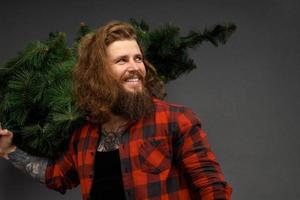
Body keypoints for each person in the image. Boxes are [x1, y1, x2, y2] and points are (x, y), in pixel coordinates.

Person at [0, 21, 232, 200]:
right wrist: (9, 150)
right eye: (122, 60)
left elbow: (212, 188)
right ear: (98, 74)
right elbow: (57, 176)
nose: (135, 68)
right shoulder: (85, 134)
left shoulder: (176, 120)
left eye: (138, 58)